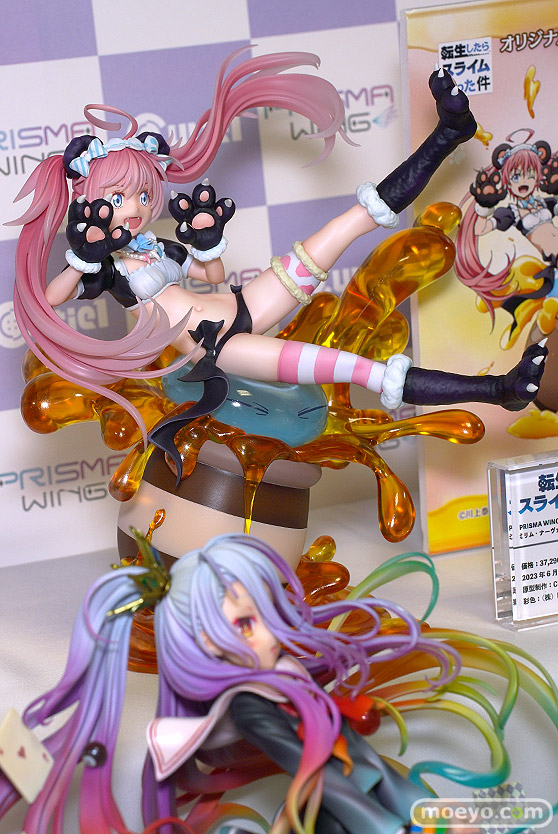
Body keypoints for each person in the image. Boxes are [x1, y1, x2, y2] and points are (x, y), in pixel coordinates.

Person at [12, 52, 546, 475]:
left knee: (351, 221)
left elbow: (211, 279)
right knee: (356, 368)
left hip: (244, 303)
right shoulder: (105, 268)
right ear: (88, 200)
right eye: (120, 196)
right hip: (217, 347)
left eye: (142, 195)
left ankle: (448, 134)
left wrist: (208, 244)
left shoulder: (157, 249)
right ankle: (499, 390)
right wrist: (81, 258)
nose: (135, 207)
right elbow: (49, 300)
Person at [0, 532, 463, 834]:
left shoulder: (284, 674)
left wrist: (428, 812)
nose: (269, 633)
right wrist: (391, 826)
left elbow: (357, 756)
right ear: (207, 640)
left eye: (267, 611)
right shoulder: (249, 704)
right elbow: (313, 770)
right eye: (245, 623)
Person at [455, 130, 558, 347]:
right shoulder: (512, 212)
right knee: (548, 319)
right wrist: (484, 205)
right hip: (553, 265)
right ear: (507, 180)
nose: (524, 181)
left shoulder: (545, 203)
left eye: (530, 175)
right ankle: (531, 359)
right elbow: (480, 229)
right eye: (516, 176)